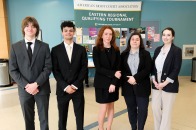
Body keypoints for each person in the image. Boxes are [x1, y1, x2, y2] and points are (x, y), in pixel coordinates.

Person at [9, 16, 52, 130]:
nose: (30, 28)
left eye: (33, 26)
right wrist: (27, 86)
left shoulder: (44, 46)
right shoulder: (15, 47)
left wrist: (36, 84)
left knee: (44, 120)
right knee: (28, 121)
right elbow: (13, 70)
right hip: (24, 90)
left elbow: (48, 68)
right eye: (27, 26)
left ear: (37, 29)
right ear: (23, 29)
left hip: (42, 88)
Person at [51, 21, 87, 130]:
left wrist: (75, 85)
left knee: (79, 116)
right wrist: (65, 86)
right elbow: (55, 71)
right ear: (62, 32)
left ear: (74, 32)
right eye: (65, 31)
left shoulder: (81, 49)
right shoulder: (55, 50)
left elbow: (83, 69)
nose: (68, 32)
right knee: (62, 117)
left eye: (71, 30)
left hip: (78, 89)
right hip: (63, 90)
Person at [151, 27, 182, 130]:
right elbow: (153, 67)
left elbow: (176, 69)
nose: (166, 37)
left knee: (166, 111)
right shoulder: (157, 50)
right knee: (155, 108)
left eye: (168, 35)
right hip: (156, 83)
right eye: (164, 35)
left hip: (169, 83)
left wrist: (164, 84)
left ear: (172, 37)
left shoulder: (176, 51)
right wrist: (154, 79)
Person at [121, 32, 152, 130]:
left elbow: (148, 69)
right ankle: (133, 127)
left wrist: (136, 78)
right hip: (128, 86)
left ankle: (140, 128)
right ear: (129, 41)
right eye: (133, 39)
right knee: (131, 109)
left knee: (143, 109)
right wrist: (129, 79)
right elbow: (121, 70)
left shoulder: (146, 54)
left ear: (140, 42)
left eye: (137, 39)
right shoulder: (123, 54)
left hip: (142, 86)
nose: (135, 41)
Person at [93, 25, 121, 130]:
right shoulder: (96, 50)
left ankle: (108, 127)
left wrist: (113, 83)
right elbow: (99, 68)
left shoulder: (116, 50)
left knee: (111, 107)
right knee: (103, 108)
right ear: (101, 35)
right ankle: (100, 128)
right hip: (101, 83)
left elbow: (118, 69)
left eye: (110, 34)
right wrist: (113, 74)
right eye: (106, 34)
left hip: (113, 84)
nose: (108, 36)